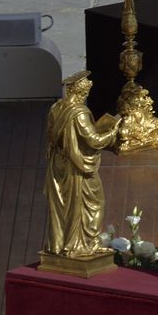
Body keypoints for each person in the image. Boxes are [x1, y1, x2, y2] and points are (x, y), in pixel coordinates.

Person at [44, 71, 121, 257]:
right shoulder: (79, 113)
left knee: (63, 208)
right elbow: (94, 140)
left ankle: (60, 245)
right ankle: (82, 245)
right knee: (92, 203)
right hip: (76, 168)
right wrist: (113, 132)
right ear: (82, 92)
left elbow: (52, 136)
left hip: (57, 166)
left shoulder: (56, 107)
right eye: (86, 91)